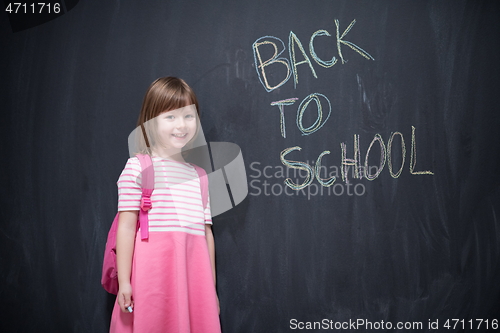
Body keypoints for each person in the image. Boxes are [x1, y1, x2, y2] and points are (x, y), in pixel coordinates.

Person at [109, 77, 221, 333]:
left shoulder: (199, 176)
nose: (181, 125)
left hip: (193, 278)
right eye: (170, 117)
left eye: (188, 116)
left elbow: (206, 234)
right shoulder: (138, 167)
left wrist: (210, 289)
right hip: (152, 278)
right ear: (150, 121)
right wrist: (125, 282)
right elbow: (126, 228)